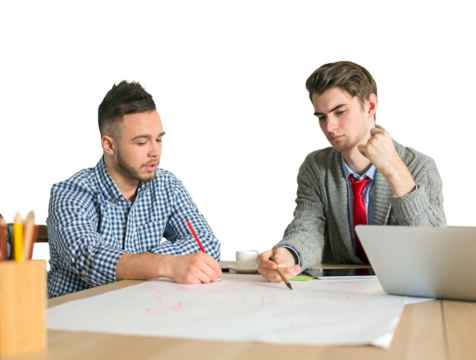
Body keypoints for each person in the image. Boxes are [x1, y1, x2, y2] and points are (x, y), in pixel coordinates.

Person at [258, 58, 448, 282]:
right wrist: (289, 255)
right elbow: (307, 226)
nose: (330, 127)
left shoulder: (421, 165)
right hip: (337, 295)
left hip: (402, 292)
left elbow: (438, 253)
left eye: (340, 112)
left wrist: (395, 172)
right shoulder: (314, 166)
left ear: (370, 105)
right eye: (321, 117)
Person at [45, 77, 223, 298]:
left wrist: (142, 263)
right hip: (71, 321)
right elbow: (89, 258)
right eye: (141, 142)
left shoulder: (169, 185)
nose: (156, 153)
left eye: (160, 140)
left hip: (142, 312)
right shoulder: (70, 193)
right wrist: (167, 265)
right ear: (109, 145)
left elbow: (207, 244)